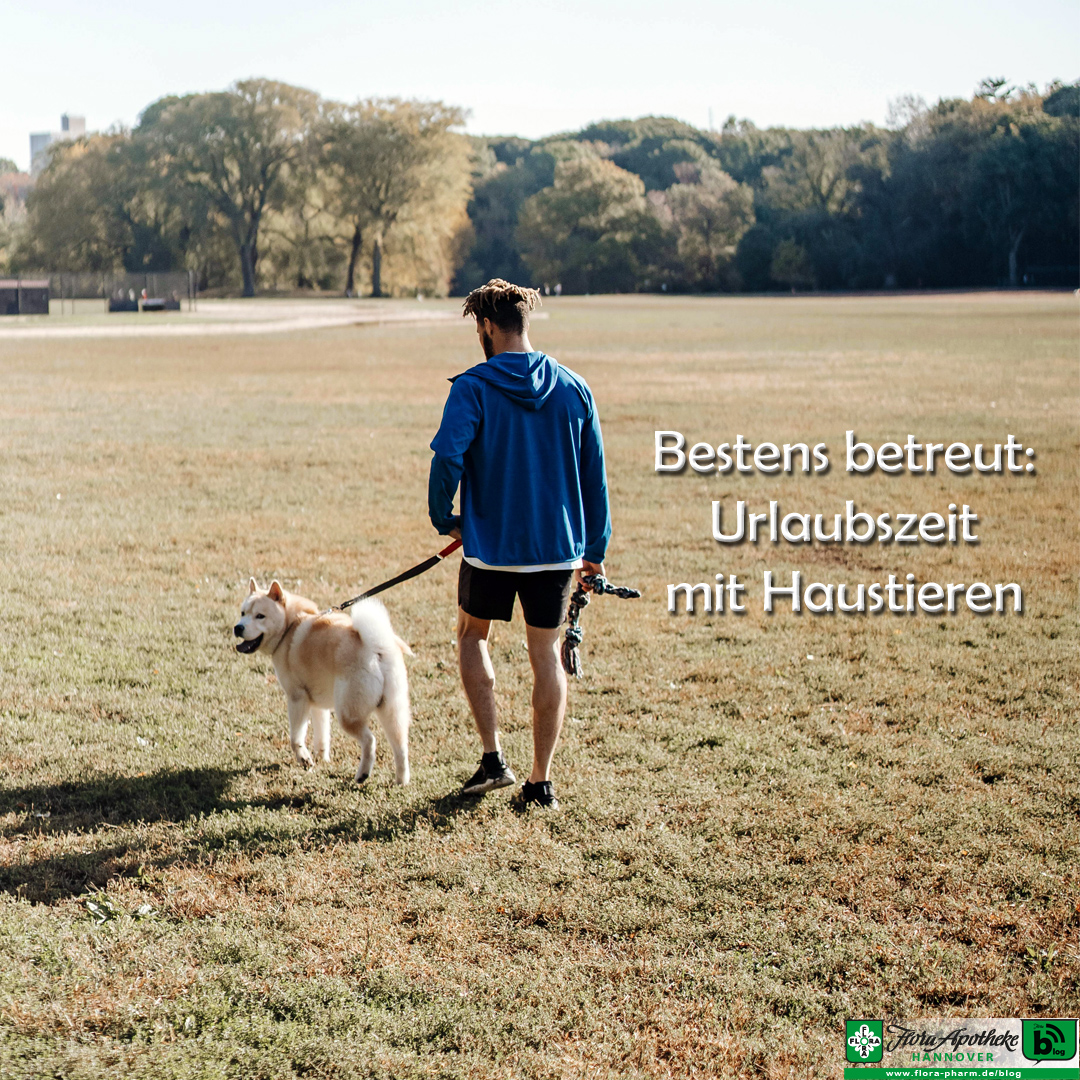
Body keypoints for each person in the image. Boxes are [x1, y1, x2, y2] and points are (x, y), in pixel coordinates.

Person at [428, 279, 611, 809]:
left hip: (489, 548)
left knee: (471, 637)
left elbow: (447, 459)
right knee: (546, 655)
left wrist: (446, 518)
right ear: (523, 323)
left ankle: (492, 759)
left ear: (485, 326)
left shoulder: (473, 387)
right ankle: (540, 782)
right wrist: (594, 552)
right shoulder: (575, 387)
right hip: (557, 550)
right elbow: (594, 479)